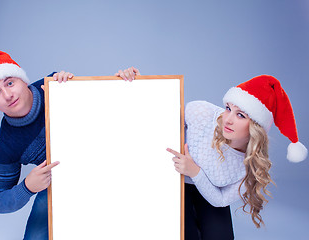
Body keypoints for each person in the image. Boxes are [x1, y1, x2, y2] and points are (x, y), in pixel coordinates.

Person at [0, 51, 132, 240]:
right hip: (62, 183)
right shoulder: (6, 145)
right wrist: (27, 187)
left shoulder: (55, 85)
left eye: (10, 83)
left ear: (22, 80)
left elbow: (111, 112)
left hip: (113, 165)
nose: (8, 95)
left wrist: (126, 84)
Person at [120, 68, 307, 239]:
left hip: (210, 195)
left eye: (240, 115)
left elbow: (221, 200)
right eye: (228, 108)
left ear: (256, 129)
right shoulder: (201, 114)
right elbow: (156, 118)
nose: (228, 119)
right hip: (173, 184)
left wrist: (195, 172)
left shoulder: (250, 166)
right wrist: (131, 85)